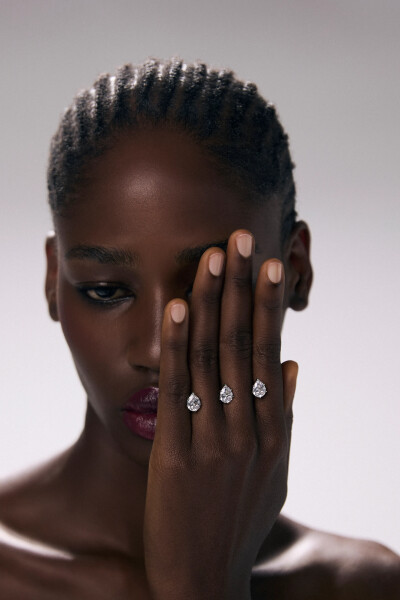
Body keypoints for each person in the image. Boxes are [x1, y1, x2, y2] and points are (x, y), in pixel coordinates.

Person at [0, 58, 398, 600]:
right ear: (53, 279)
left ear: (295, 271)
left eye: (208, 290)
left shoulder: (360, 587)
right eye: (106, 291)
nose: (159, 350)